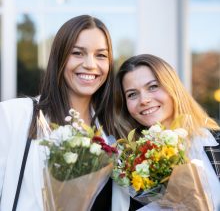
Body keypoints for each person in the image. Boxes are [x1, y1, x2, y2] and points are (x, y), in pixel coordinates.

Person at [0, 15, 115, 211]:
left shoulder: (114, 133)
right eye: (78, 53)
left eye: (101, 55)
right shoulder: (14, 115)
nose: (90, 64)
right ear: (59, 57)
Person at [113, 54, 220, 211]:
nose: (144, 100)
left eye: (153, 86)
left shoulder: (215, 141)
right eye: (132, 94)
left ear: (173, 88)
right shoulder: (130, 167)